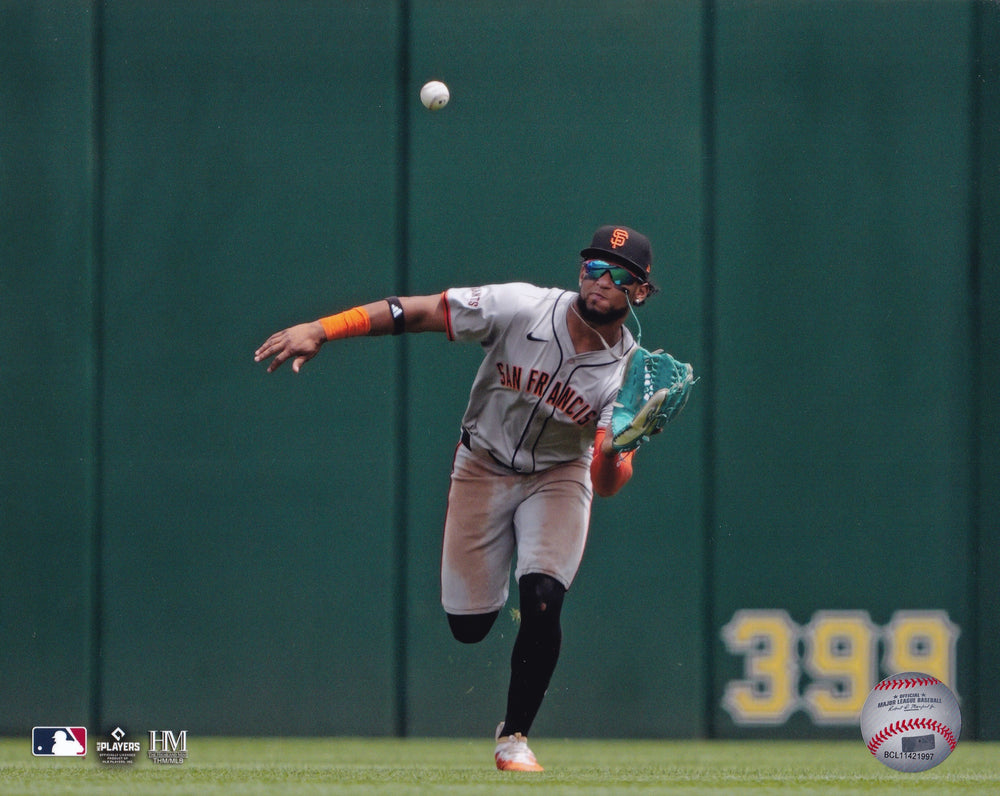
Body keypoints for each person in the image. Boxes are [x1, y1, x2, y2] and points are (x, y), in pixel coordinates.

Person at [255, 225, 669, 771]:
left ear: (639, 292)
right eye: (594, 267)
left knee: (544, 595)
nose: (601, 282)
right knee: (468, 626)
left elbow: (607, 483)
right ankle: (493, 601)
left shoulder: (630, 373)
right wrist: (322, 329)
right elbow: (418, 311)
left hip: (559, 475)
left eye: (619, 276)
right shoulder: (522, 307)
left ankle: (514, 736)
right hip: (482, 465)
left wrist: (616, 451)